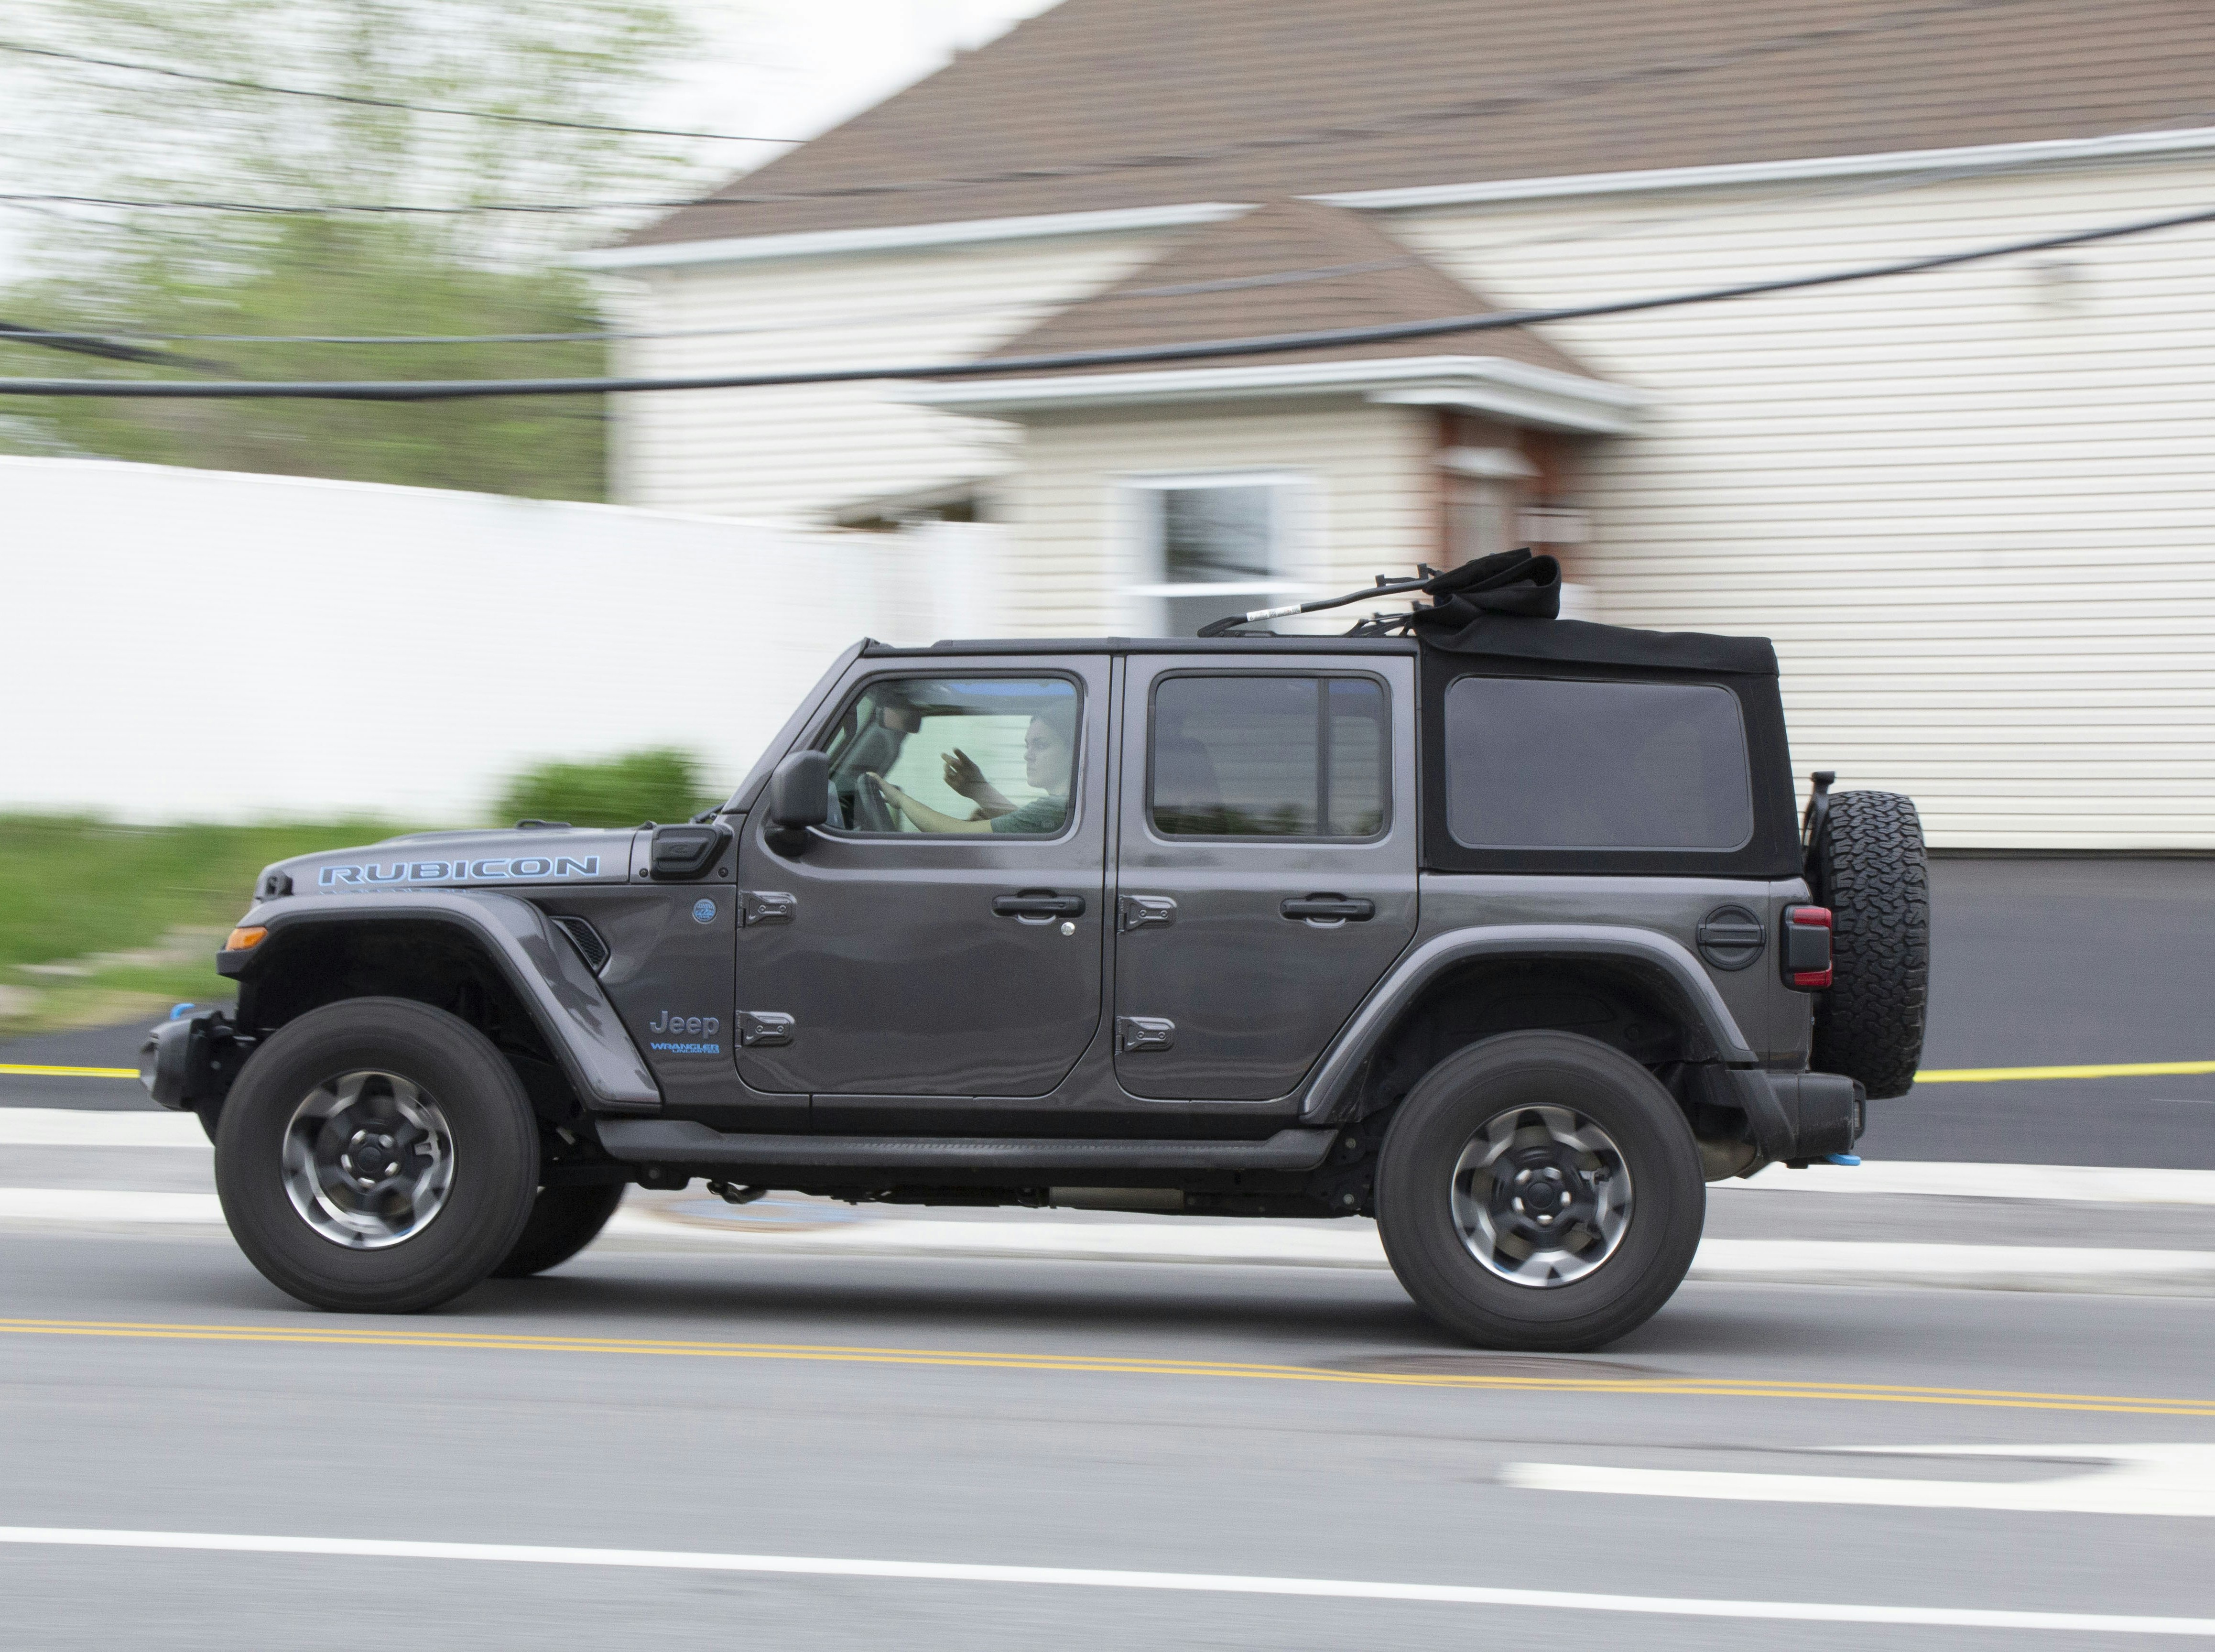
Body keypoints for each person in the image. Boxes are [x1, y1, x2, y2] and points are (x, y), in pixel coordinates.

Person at [868, 704, 1074, 834]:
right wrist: (978, 789)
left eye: (1042, 745)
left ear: (1074, 752)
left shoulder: (1056, 809)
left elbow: (958, 832)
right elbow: (1028, 827)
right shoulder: (1062, 811)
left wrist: (901, 800)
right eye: (1028, 745)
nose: (1028, 755)